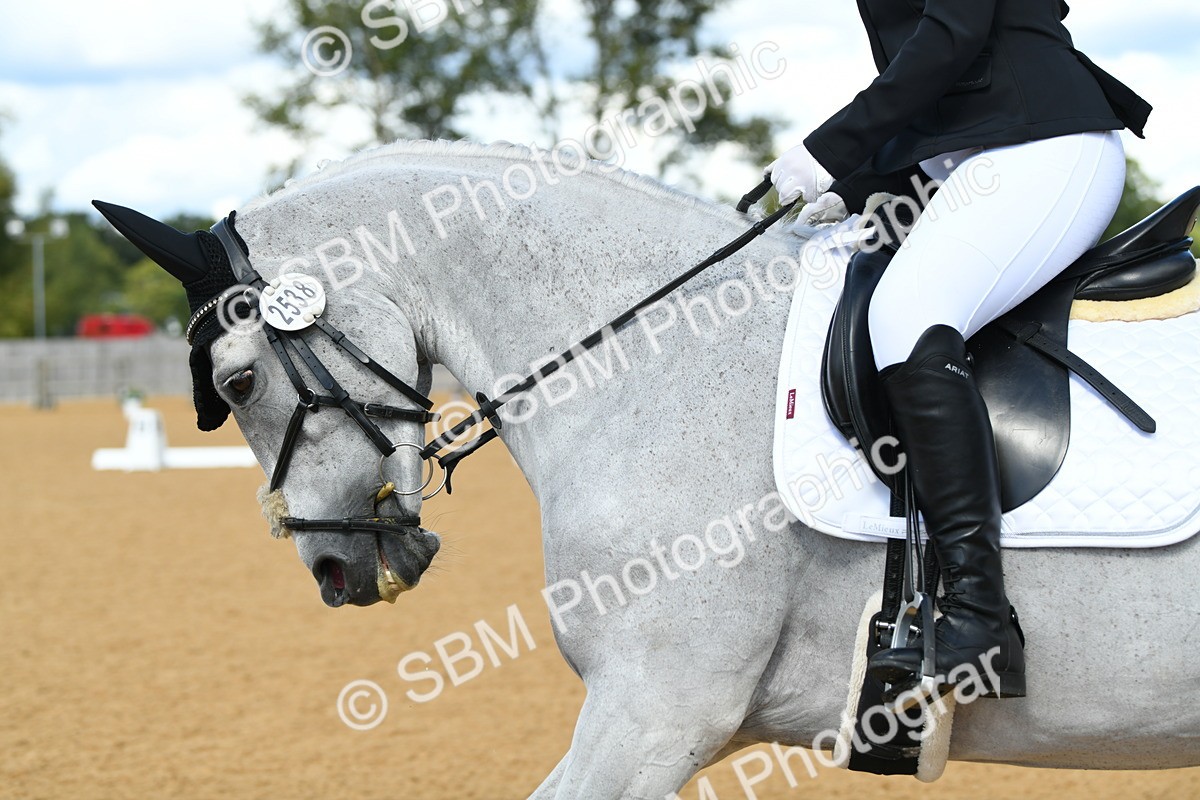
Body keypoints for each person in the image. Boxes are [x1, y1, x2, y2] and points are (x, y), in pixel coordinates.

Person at [766, 0, 1151, 699]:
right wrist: (859, 184)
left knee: (909, 314)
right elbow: (941, 90)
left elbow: (955, 34)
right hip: (978, 162)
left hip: (1045, 147)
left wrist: (831, 149)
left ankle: (980, 618)